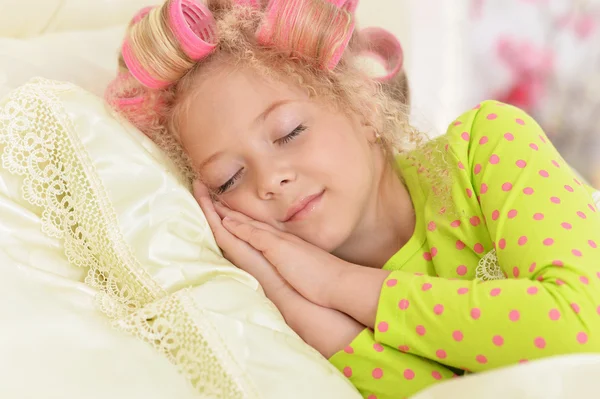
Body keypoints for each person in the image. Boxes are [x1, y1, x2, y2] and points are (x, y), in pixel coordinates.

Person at [105, 0, 600, 398]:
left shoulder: (486, 146)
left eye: (289, 131)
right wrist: (293, 305)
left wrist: (339, 283)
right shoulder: (283, 313)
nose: (271, 179)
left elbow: (582, 325)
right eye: (229, 179)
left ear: (361, 103)